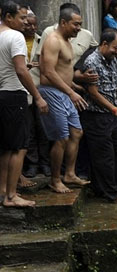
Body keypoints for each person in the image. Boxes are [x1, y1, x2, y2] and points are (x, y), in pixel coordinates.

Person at [80, 29, 117, 204]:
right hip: (97, 115)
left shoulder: (114, 60)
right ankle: (111, 192)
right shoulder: (92, 62)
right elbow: (94, 94)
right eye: (115, 47)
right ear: (104, 44)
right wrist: (115, 109)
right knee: (104, 156)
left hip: (112, 114)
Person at [0, 0, 48, 207]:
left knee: (5, 148)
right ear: (8, 17)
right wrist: (37, 96)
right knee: (19, 147)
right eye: (21, 17)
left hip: (2, 94)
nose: (25, 21)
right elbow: (20, 70)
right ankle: (11, 195)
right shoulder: (15, 36)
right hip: (14, 95)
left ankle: (3, 191)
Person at [38, 4, 90, 193]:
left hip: (65, 92)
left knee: (76, 133)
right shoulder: (53, 40)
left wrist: (74, 86)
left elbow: (63, 71)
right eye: (76, 24)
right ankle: (55, 180)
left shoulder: (66, 40)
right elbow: (49, 73)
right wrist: (71, 92)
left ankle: (69, 173)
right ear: (63, 22)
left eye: (80, 24)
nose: (79, 28)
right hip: (52, 93)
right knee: (61, 138)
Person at [22, 7, 50, 179]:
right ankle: (32, 164)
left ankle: (45, 163)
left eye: (34, 25)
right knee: (29, 129)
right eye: (29, 25)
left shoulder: (43, 41)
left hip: (41, 90)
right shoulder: (17, 40)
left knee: (43, 128)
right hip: (23, 91)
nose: (32, 28)